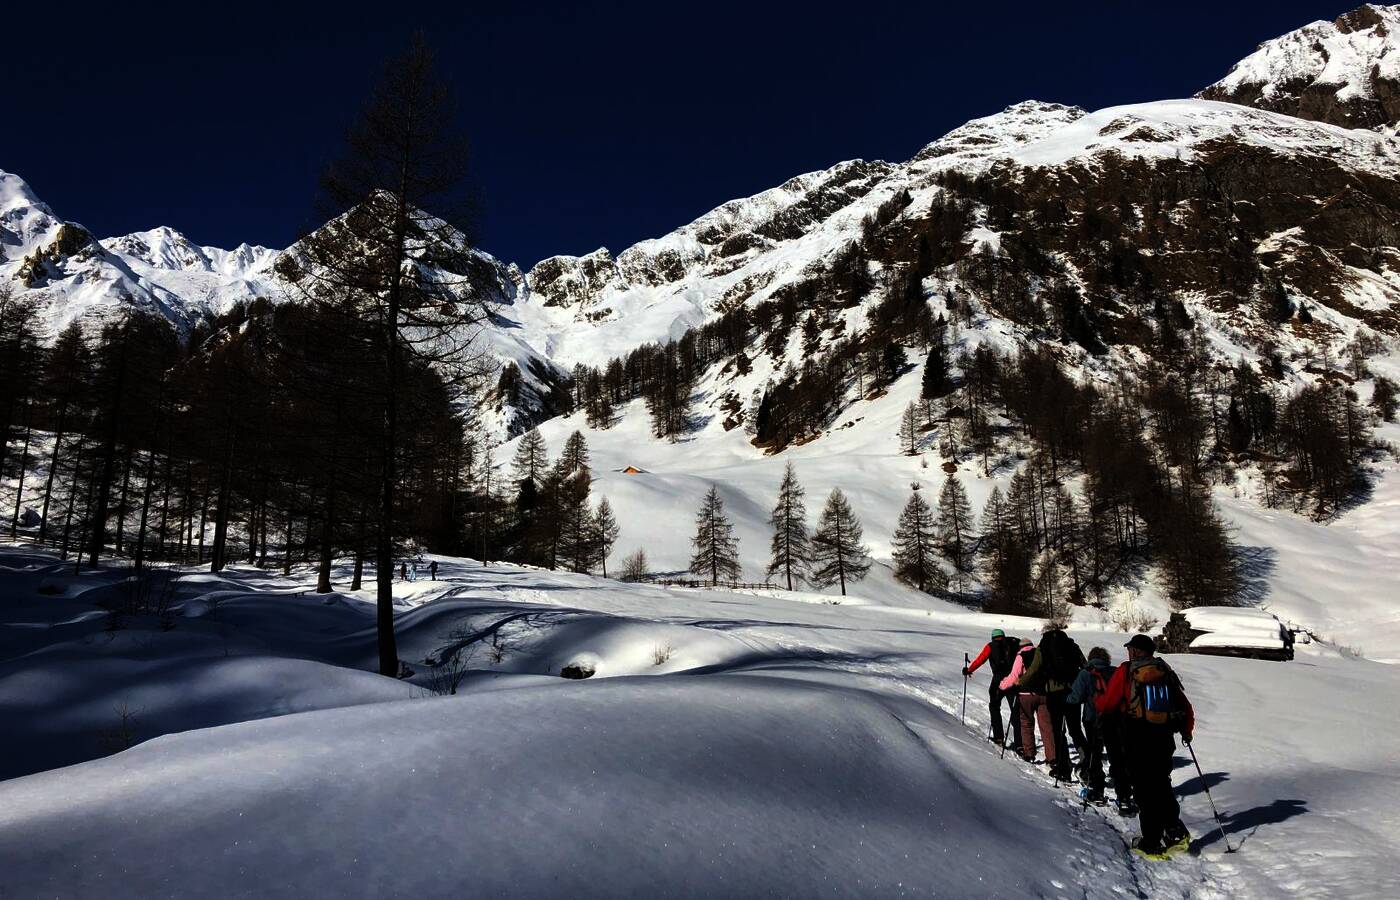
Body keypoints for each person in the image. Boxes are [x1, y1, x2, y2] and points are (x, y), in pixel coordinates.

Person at [1096, 634, 1195, 856]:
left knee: (1143, 787)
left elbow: (1110, 701)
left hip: (1136, 734)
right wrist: (1186, 731)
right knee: (1161, 781)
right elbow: (1184, 705)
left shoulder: (1126, 670)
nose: (1128, 652)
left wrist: (1099, 708)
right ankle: (1174, 829)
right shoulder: (1164, 669)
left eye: (1130, 648)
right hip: (1164, 735)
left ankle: (1151, 840)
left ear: (1135, 651)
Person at [1013, 627, 1083, 781]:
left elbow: (1033, 670)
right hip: (1073, 691)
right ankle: (1087, 765)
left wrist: (1021, 682)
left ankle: (1063, 768)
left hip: (1054, 693)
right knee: (1076, 730)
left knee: (1058, 731)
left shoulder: (1043, 647)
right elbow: (1083, 666)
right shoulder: (1071, 645)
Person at [1066, 646, 1127, 807]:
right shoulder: (1115, 672)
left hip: (1092, 718)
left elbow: (1075, 698)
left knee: (1095, 754)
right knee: (1116, 755)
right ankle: (1124, 795)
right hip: (1115, 719)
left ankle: (1097, 789)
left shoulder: (1086, 673)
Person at [963, 629, 1022, 748]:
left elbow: (981, 659)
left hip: (998, 680)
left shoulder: (990, 646)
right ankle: (1020, 743)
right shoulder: (1013, 644)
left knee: (994, 706)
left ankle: (999, 737)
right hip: (1013, 680)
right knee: (1015, 711)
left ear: (992, 637)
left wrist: (969, 670)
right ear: (1003, 636)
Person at [1001, 638, 1054, 768]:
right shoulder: (1040, 655)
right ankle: (1052, 757)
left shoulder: (1020, 656)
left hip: (1026, 695)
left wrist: (1002, 685)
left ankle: (1029, 753)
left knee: (1026, 724)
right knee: (1046, 726)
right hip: (1043, 695)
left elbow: (1015, 675)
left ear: (1020, 647)